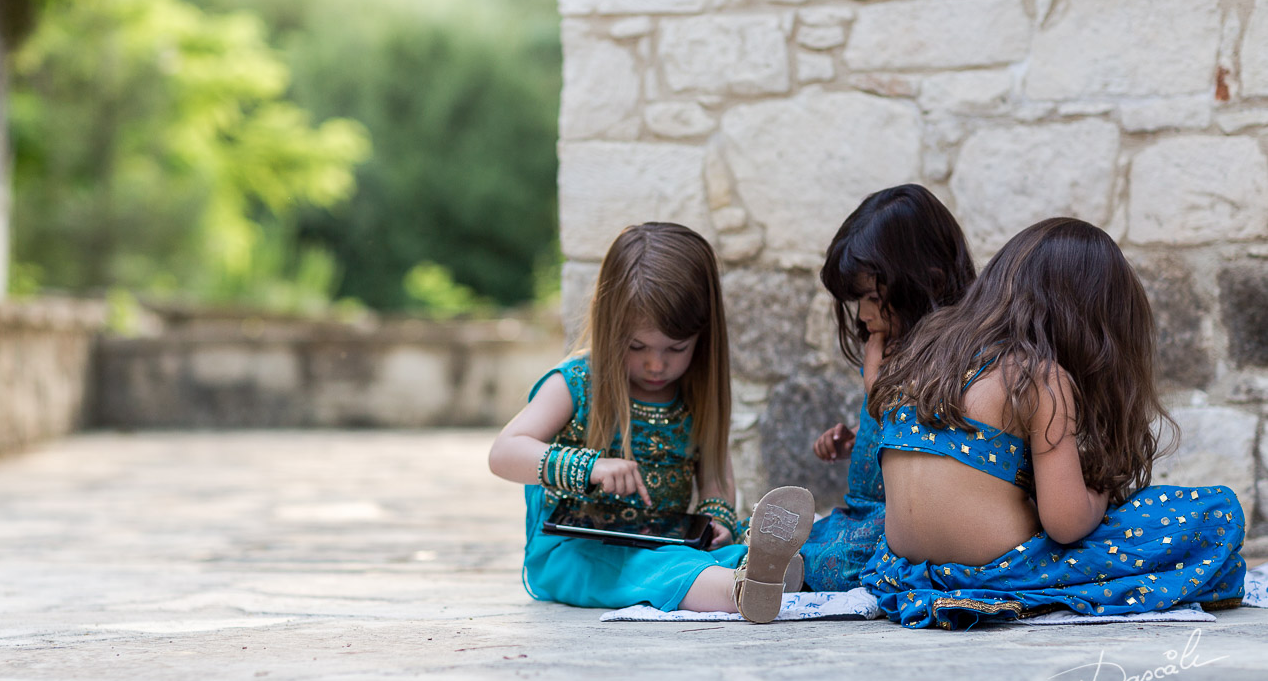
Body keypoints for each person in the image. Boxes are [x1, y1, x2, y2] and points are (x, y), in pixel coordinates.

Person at [861, 217, 1246, 629]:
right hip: (998, 572)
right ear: (1089, 321)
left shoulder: (924, 351)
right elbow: (1064, 524)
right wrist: (1099, 492)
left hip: (904, 570)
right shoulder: (1037, 376)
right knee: (1215, 513)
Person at [488, 222, 812, 620]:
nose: (656, 364)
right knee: (653, 567)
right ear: (610, 329)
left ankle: (763, 572)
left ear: (703, 337)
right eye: (637, 346)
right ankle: (739, 590)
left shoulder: (696, 397)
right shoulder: (575, 382)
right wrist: (591, 467)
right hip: (574, 553)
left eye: (676, 348)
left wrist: (716, 520)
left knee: (718, 550)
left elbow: (715, 482)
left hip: (667, 541)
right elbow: (504, 452)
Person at [802, 184, 976, 592]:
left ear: (928, 284)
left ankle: (796, 568)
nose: (861, 315)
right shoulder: (891, 343)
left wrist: (880, 393)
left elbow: (928, 449)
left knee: (834, 560)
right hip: (863, 511)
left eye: (871, 297)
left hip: (905, 518)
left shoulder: (953, 358)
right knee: (798, 535)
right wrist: (855, 439)